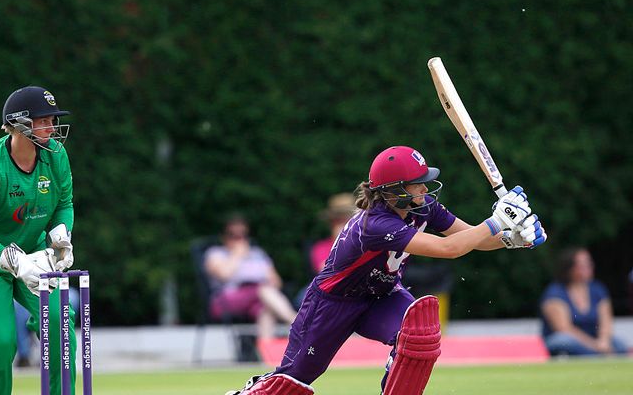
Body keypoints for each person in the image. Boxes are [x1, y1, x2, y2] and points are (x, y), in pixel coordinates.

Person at [225, 146, 547, 395]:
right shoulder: (376, 224)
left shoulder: (423, 207)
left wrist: (510, 237)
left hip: (381, 295)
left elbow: (470, 238)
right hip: (334, 303)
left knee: (419, 333)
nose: (424, 189)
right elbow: (450, 249)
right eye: (417, 184)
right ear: (394, 190)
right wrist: (496, 221)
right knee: (294, 381)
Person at [0, 86, 77, 395]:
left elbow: (64, 203)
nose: (51, 127)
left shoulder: (55, 156)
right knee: (0, 341)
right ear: (20, 125)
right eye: (43, 120)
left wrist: (61, 234)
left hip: (33, 252)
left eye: (52, 119)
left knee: (61, 325)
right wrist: (13, 260)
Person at [205, 214, 298, 340]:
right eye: (233, 235)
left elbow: (276, 282)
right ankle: (298, 323)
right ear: (223, 236)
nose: (239, 239)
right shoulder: (216, 253)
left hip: (258, 298)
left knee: (267, 308)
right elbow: (224, 275)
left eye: (243, 235)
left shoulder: (258, 254)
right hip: (225, 300)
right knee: (262, 290)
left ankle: (266, 349)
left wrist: (268, 284)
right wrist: (237, 255)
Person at [540, 247, 628, 356]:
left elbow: (606, 322)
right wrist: (594, 345)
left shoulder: (597, 289)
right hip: (571, 340)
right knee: (563, 341)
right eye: (582, 265)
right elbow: (564, 328)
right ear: (569, 268)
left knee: (621, 346)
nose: (588, 268)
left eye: (589, 264)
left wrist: (603, 341)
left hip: (595, 340)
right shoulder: (555, 292)